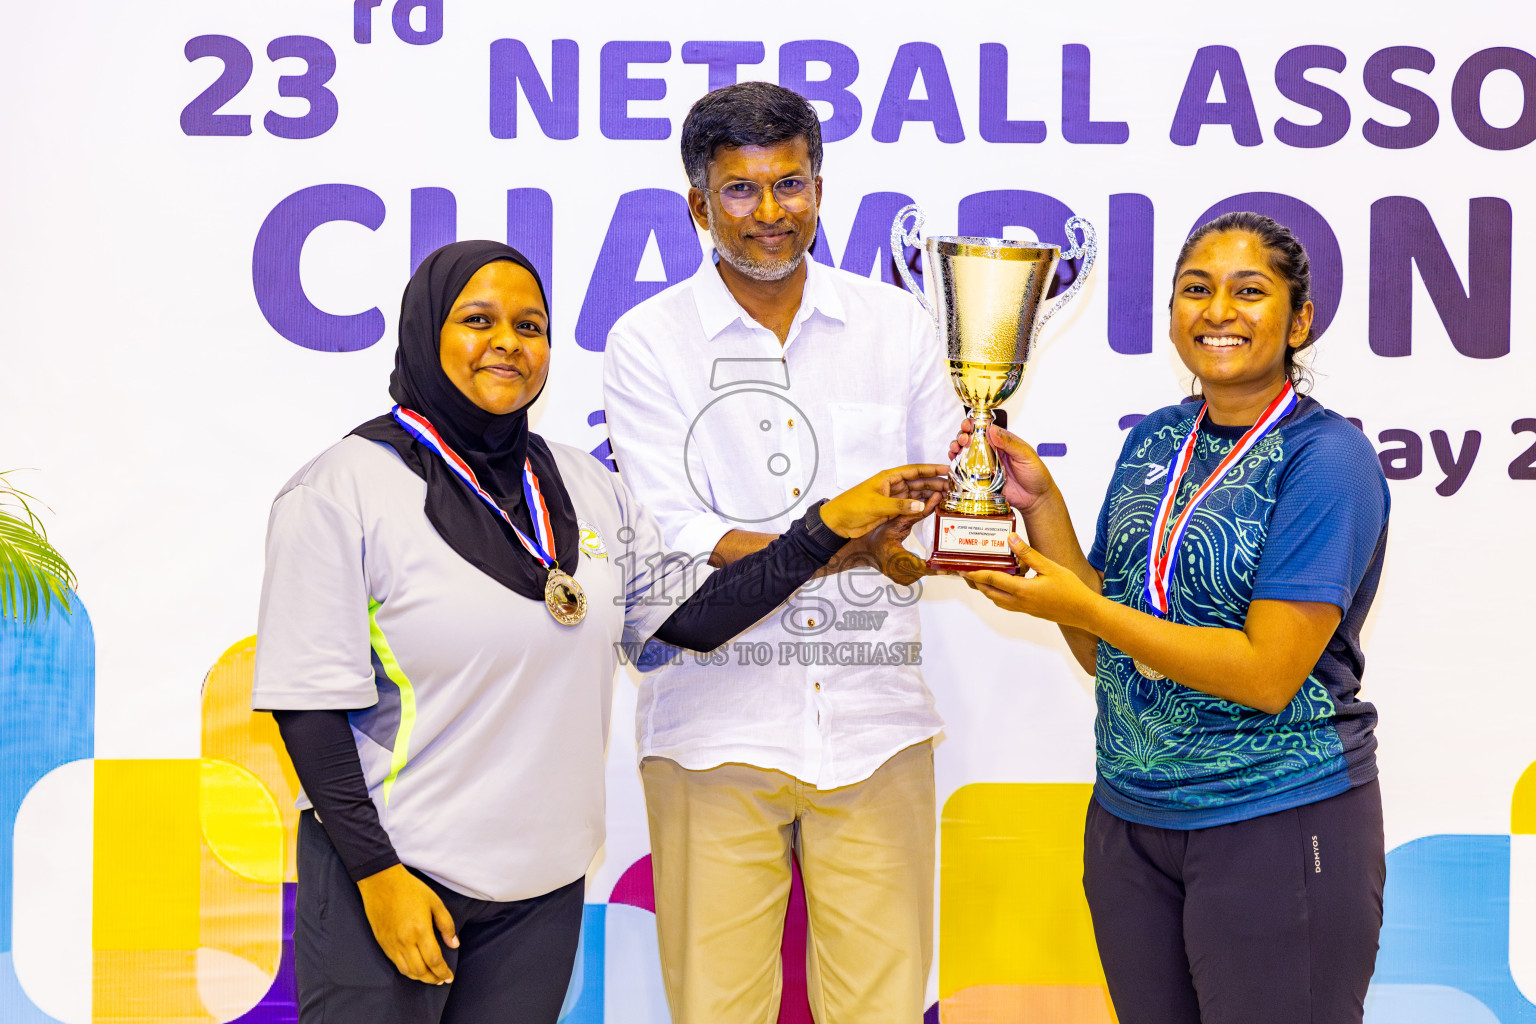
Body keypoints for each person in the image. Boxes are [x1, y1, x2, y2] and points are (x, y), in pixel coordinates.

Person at [251, 240, 946, 1024]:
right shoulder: (341, 490)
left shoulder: (584, 485)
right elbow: (307, 708)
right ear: (424, 332)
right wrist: (376, 876)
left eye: (530, 325)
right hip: (399, 876)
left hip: (539, 894)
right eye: (478, 320)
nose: (508, 342)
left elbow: (693, 618)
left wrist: (822, 531)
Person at [956, 212, 1390, 1024]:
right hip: (1132, 819)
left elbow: (1267, 673)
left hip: (1274, 815)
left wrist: (1083, 604)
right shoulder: (1156, 439)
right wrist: (1042, 509)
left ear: (1299, 321)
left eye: (1248, 291)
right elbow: (1103, 650)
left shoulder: (1326, 459)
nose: (1217, 310)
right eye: (1196, 289)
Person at [601, 82, 962, 1024]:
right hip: (713, 726)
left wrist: (916, 535)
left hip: (875, 721)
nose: (771, 213)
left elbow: (929, 520)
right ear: (697, 203)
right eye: (741, 191)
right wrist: (848, 531)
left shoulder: (900, 327)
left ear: (819, 187)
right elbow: (682, 542)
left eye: (791, 185)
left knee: (881, 1011)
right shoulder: (648, 345)